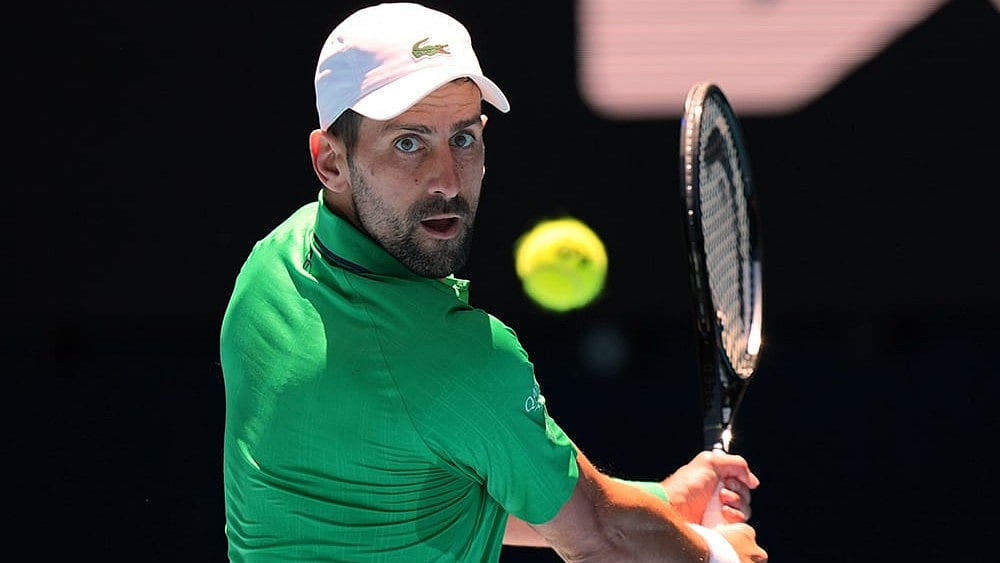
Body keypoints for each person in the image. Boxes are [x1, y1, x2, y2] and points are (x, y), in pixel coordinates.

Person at [220, 3, 768, 562]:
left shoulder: (268, 271)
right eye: (408, 142)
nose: (447, 181)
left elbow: (427, 483)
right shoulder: (457, 362)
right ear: (330, 161)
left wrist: (661, 501)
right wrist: (717, 554)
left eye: (462, 138)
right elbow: (601, 539)